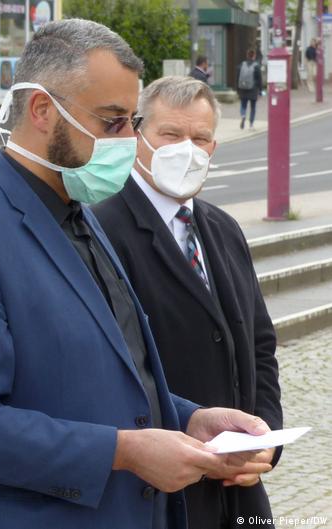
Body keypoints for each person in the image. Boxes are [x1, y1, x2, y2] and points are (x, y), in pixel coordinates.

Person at [0, 19, 273, 529]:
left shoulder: (80, 211)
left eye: (130, 120)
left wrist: (189, 418)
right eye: (111, 121)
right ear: (41, 111)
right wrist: (125, 452)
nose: (126, 139)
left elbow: (114, 374)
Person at [92, 76, 283, 529]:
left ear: (213, 147)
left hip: (238, 496)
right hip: (157, 492)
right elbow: (109, 366)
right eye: (171, 135)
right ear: (138, 137)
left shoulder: (223, 228)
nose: (187, 149)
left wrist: (267, 442)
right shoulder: (100, 229)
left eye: (199, 138)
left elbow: (259, 346)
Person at [237, 49, 262, 130]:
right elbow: (260, 79)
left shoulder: (242, 64)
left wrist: (238, 89)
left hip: (243, 89)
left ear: (247, 55)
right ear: (254, 56)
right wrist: (260, 91)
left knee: (243, 105)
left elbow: (237, 77)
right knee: (253, 107)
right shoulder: (256, 66)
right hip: (253, 89)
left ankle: (243, 115)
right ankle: (251, 124)